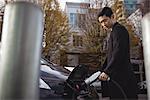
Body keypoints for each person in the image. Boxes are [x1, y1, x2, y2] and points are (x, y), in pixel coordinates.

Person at [98, 7, 138, 100]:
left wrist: (107, 71)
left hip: (123, 80)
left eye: (105, 20)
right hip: (118, 80)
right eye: (101, 22)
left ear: (112, 16)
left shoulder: (119, 30)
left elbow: (118, 53)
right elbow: (110, 56)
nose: (103, 24)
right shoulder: (114, 32)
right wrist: (103, 70)